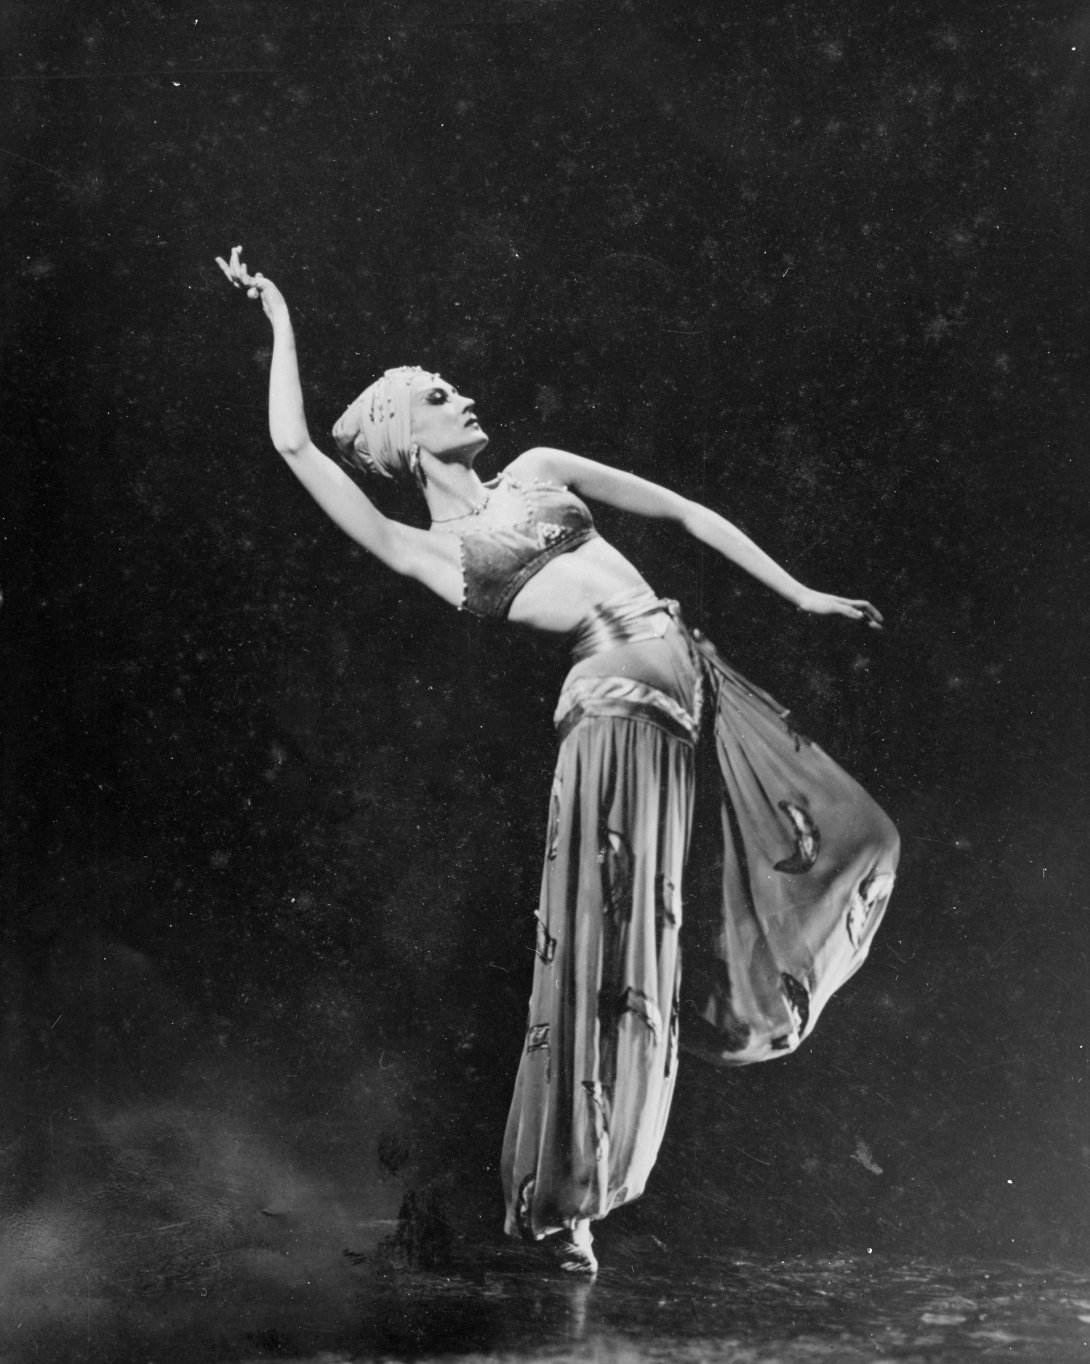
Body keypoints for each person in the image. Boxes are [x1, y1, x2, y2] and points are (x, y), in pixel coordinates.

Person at [216, 246, 900, 1276]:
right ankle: (570, 1198)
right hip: (618, 725)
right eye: (439, 394)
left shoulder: (534, 469)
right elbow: (294, 443)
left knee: (856, 836)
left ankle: (711, 1020)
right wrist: (278, 317)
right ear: (405, 432)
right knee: (603, 957)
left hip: (696, 696)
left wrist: (799, 592)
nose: (465, 394)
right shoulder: (426, 550)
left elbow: (681, 510)